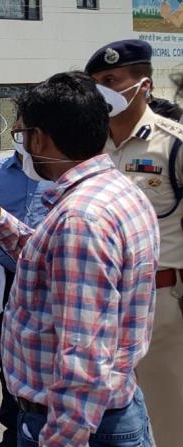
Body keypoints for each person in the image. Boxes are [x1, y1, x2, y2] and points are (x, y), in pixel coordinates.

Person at [0, 71, 159, 446]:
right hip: (107, 411)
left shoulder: (80, 220)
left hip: (76, 426)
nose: (23, 144)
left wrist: (60, 438)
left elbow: (84, 356)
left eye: (22, 134)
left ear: (40, 138)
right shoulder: (115, 190)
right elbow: (54, 264)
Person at [86, 39, 183, 447]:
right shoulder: (88, 147)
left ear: (144, 84)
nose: (102, 91)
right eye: (96, 83)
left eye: (111, 80)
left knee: (168, 414)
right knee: (106, 416)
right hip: (98, 303)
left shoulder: (173, 143)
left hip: (161, 303)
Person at [0, 149, 52, 447]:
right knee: (8, 360)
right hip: (5, 280)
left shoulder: (59, 174)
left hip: (50, 282)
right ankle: (13, 433)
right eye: (17, 128)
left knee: (48, 362)